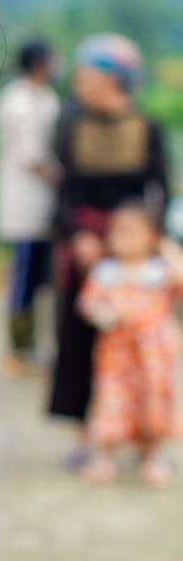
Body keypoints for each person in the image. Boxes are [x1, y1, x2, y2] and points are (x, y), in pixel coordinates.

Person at [48, 33, 170, 466]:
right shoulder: (71, 126)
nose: (78, 83)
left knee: (142, 348)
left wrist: (152, 243)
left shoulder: (147, 128)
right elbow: (63, 193)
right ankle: (88, 438)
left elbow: (161, 192)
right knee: (79, 341)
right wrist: (76, 234)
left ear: (112, 79)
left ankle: (146, 440)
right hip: (85, 246)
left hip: (135, 249)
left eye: (86, 74)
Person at [77, 202, 182, 487]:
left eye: (132, 232)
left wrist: (172, 254)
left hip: (154, 356)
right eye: (117, 232)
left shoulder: (159, 271)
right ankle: (105, 456)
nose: (123, 238)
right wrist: (105, 315)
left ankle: (153, 455)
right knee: (112, 400)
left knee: (154, 401)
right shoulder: (106, 272)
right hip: (117, 356)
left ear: (152, 236)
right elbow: (88, 303)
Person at [0, 40, 61, 375]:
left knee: (37, 280)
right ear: (39, 63)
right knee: (24, 278)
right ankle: (17, 349)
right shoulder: (20, 102)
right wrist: (64, 178)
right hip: (25, 204)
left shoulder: (43, 98)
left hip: (41, 205)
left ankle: (31, 346)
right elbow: (31, 157)